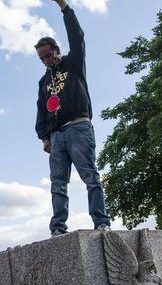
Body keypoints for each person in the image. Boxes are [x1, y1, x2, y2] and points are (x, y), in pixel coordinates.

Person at [34, 0, 111, 236]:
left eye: (49, 55)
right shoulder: (44, 82)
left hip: (78, 127)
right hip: (57, 135)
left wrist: (64, 7)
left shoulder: (73, 63)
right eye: (42, 58)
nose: (47, 60)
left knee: (90, 175)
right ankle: (58, 228)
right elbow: (41, 110)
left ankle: (101, 221)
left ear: (57, 50)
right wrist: (45, 137)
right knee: (58, 184)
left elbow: (77, 37)